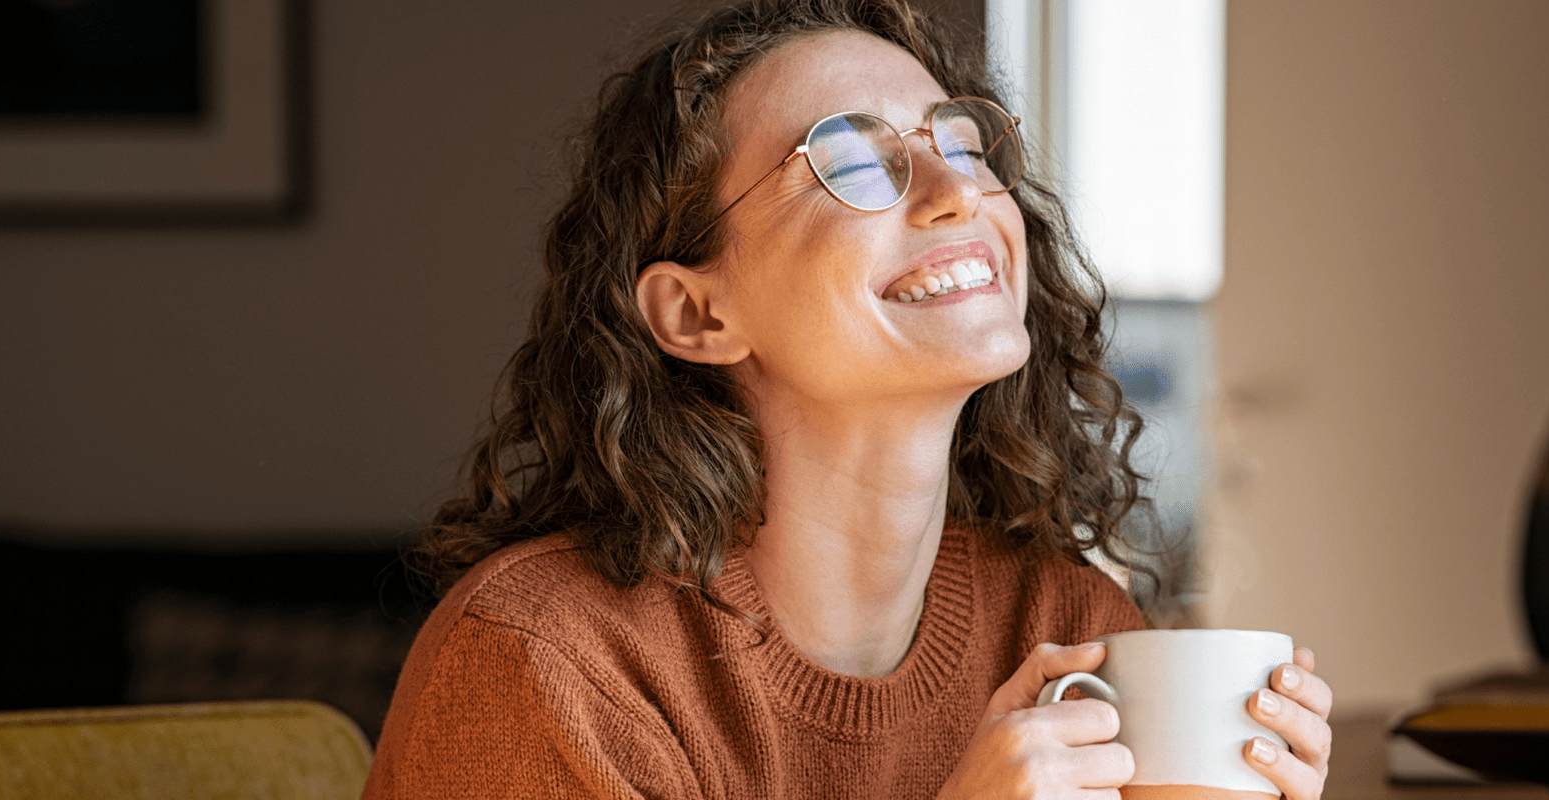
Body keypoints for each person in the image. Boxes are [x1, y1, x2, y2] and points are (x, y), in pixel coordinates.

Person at [363, 1, 1333, 797]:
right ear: (697, 313)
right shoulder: (551, 665)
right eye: (853, 162)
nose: (956, 193)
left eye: (960, 141)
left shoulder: (1063, 624)